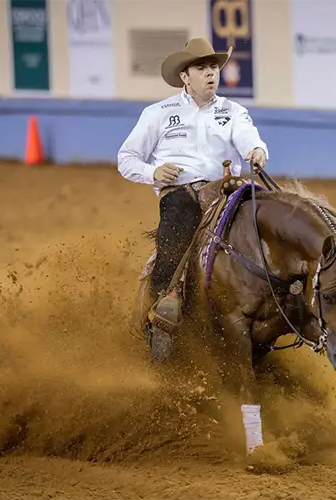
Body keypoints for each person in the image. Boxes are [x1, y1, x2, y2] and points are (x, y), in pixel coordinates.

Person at [117, 37, 270, 359]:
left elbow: (248, 139)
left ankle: (275, 299)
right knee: (177, 224)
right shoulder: (158, 113)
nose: (210, 74)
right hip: (182, 192)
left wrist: (256, 151)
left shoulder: (233, 111)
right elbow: (127, 158)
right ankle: (162, 311)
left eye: (213, 67)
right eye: (202, 68)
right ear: (185, 76)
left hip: (226, 188)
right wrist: (154, 172)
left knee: (265, 220)